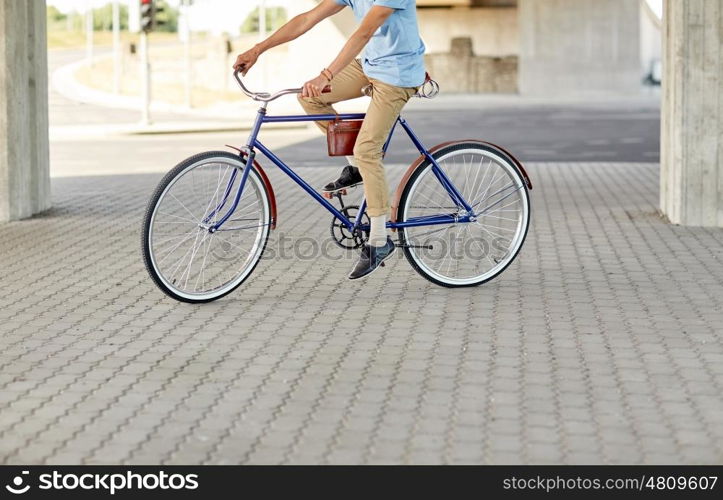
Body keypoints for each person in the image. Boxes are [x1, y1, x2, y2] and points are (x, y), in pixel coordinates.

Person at [233, 0, 425, 280]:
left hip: (397, 75)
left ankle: (380, 239)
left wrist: (326, 74)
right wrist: (257, 49)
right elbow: (307, 19)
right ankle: (357, 169)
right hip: (370, 66)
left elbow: (364, 32)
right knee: (309, 96)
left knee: (367, 149)